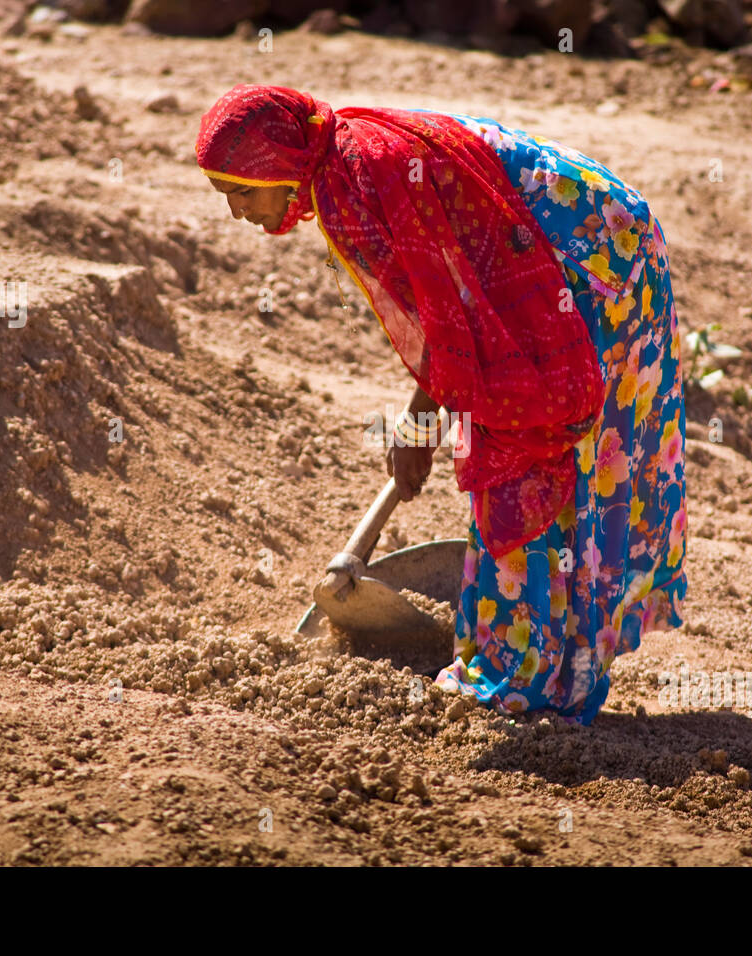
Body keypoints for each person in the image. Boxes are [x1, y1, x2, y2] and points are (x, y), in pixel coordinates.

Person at [196, 84, 686, 725]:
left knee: (527, 447)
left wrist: (419, 421)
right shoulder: (339, 159)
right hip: (591, 246)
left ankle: (525, 678)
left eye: (240, 191)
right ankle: (540, 663)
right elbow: (452, 304)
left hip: (590, 267)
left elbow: (454, 319)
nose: (236, 212)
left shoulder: (354, 186)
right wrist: (424, 420)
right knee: (525, 445)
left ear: (277, 166)